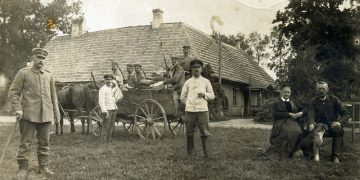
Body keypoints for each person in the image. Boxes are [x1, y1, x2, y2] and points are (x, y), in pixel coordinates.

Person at [8, 48, 60, 177]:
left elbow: (54, 96)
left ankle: (43, 167)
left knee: (44, 142)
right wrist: (18, 108)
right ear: (33, 57)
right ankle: (23, 168)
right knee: (26, 142)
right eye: (38, 57)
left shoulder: (49, 75)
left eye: (43, 58)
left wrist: (56, 113)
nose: (41, 60)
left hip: (46, 115)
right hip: (28, 115)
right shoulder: (23, 73)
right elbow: (13, 92)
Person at [180, 59, 215, 158]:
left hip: (203, 111)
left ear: (201, 69)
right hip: (190, 111)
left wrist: (204, 95)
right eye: (194, 67)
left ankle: (206, 155)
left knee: (205, 132)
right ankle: (191, 154)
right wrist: (189, 104)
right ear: (191, 69)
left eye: (198, 67)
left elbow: (212, 96)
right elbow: (182, 97)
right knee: (189, 132)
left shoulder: (206, 81)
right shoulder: (188, 82)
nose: (196, 69)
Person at [306, 81, 348, 163]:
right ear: (316, 90)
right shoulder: (313, 101)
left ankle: (336, 156)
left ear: (327, 90)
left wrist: (339, 122)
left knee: (338, 129)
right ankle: (313, 155)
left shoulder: (334, 100)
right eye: (319, 89)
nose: (321, 91)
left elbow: (346, 113)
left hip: (332, 126)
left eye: (323, 89)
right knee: (309, 130)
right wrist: (311, 123)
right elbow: (310, 114)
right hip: (319, 127)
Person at [266, 85, 305, 159]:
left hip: (292, 122)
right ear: (281, 92)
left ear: (290, 93)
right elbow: (275, 115)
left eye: (288, 92)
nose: (287, 94)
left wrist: (301, 113)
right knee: (288, 132)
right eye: (285, 92)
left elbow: (303, 109)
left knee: (298, 131)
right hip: (281, 122)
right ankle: (285, 153)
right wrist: (289, 114)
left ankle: (295, 150)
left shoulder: (293, 102)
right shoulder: (276, 103)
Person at [98, 74, 118, 143]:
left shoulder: (110, 88)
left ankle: (108, 141)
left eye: (110, 80)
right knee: (106, 127)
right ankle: (103, 143)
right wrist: (105, 111)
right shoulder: (102, 89)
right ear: (104, 80)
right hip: (107, 110)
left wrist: (115, 83)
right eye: (107, 80)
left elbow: (115, 89)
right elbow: (101, 102)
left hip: (113, 109)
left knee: (111, 126)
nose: (109, 81)